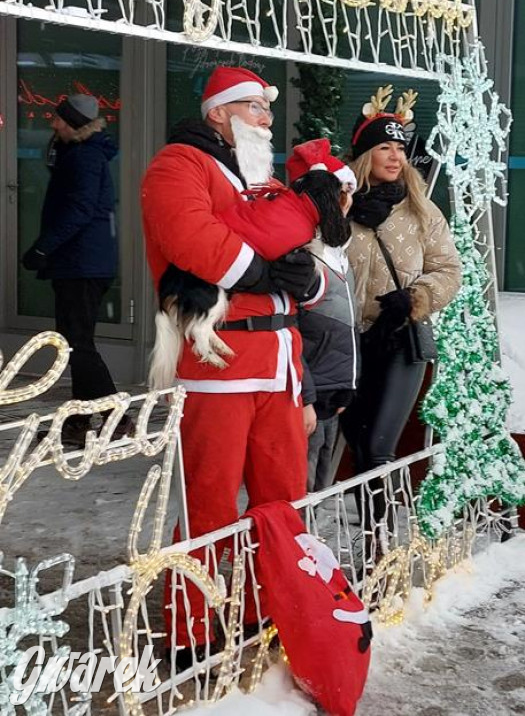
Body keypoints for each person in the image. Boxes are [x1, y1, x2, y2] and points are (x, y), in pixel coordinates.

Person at [141, 66, 322, 665]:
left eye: (267, 109)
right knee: (209, 504)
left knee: (283, 501)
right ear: (218, 112)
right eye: (253, 107)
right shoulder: (179, 164)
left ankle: (264, 609)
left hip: (281, 363)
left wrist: (308, 279)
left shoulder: (263, 178)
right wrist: (265, 273)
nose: (267, 119)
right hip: (218, 361)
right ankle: (190, 630)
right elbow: (190, 237)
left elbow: (310, 262)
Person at [339, 86, 461, 535]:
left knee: (377, 446)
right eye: (384, 148)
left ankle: (379, 545)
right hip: (347, 342)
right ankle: (370, 537)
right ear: (363, 155)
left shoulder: (420, 209)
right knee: (357, 442)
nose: (395, 157)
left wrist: (416, 298)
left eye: (400, 149)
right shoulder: (339, 206)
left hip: (399, 340)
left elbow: (448, 270)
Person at [22, 94, 134, 445]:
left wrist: (44, 247)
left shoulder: (85, 157)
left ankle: (117, 418)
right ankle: (79, 422)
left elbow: (79, 210)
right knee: (75, 344)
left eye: (59, 119)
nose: (53, 124)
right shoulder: (80, 153)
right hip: (83, 262)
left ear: (74, 124)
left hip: (81, 264)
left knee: (77, 344)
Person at [283, 140, 360, 493]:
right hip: (310, 395)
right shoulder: (303, 257)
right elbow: (292, 332)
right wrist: (307, 397)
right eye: (340, 192)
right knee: (301, 479)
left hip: (332, 393)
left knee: (320, 480)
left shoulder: (338, 252)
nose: (347, 201)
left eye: (349, 193)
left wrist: (344, 386)